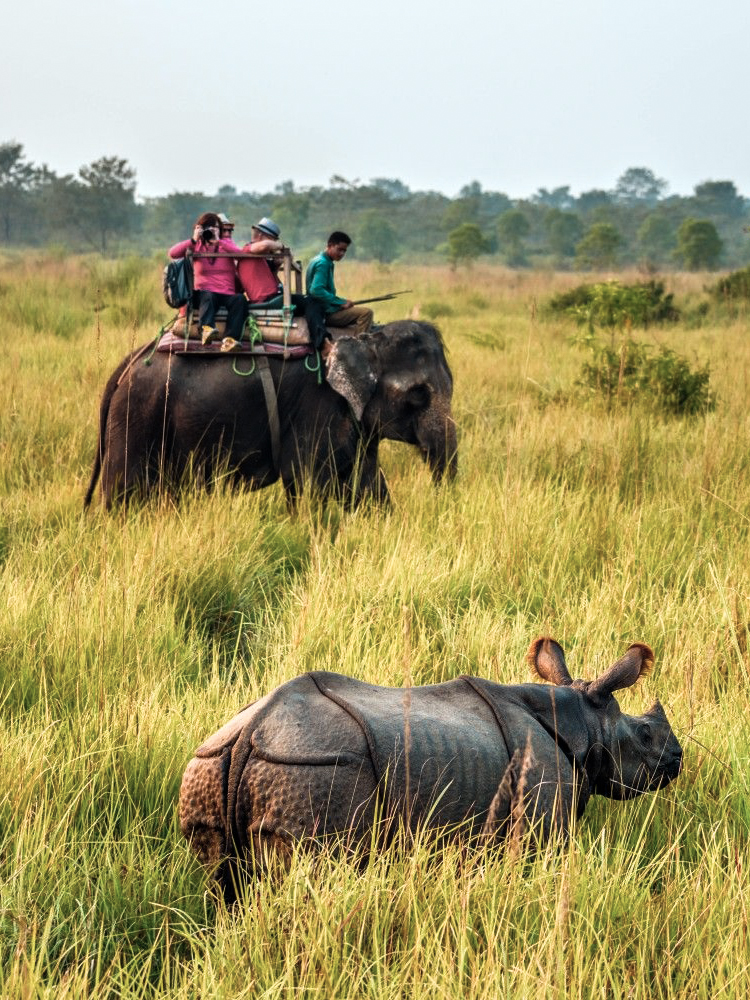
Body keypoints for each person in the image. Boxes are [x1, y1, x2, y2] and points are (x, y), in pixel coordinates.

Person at [169, 212, 248, 344]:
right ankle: (206, 330)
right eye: (208, 228)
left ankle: (230, 339)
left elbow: (241, 255)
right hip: (204, 294)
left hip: (226, 293)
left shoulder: (225, 244)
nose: (211, 231)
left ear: (220, 230)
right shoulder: (196, 245)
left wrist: (218, 241)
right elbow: (173, 253)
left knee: (240, 299)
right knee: (208, 294)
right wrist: (194, 239)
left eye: (215, 227)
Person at [305, 232, 373, 335]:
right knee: (366, 313)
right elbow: (316, 290)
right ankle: (358, 346)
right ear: (330, 245)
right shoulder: (323, 263)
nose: (342, 254)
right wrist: (340, 302)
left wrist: (340, 303)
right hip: (324, 312)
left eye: (344, 251)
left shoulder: (319, 259)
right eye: (339, 249)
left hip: (323, 308)